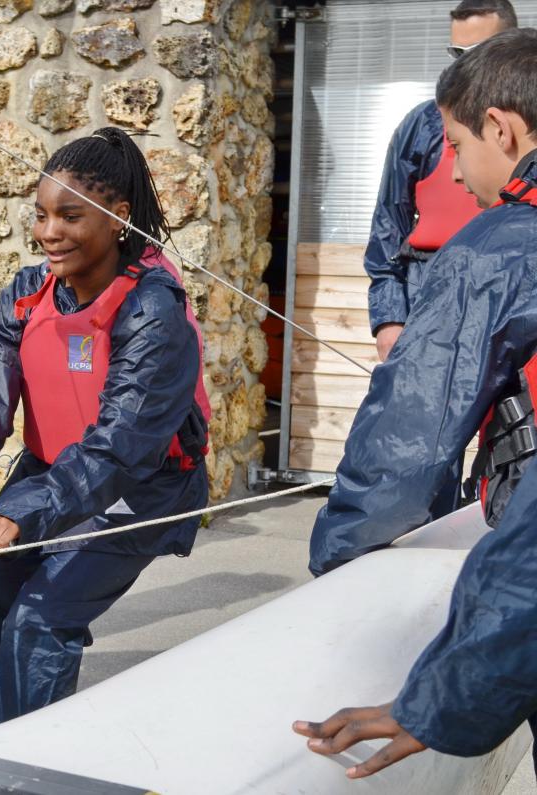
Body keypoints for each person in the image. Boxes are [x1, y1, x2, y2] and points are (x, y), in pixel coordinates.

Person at [294, 28, 537, 779]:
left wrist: (341, 569)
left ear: (501, 128)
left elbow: (405, 447)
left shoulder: (499, 247)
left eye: (457, 147)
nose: (455, 175)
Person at [0, 128, 211, 735]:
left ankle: (23, 765)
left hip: (139, 488)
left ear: (119, 217)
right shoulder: (28, 292)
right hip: (52, 473)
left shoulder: (153, 311)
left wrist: (21, 511)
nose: (49, 232)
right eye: (41, 215)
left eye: (70, 216)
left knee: (39, 618)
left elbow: (120, 447)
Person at [364, 0, 516, 363]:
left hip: (509, 291)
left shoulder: (529, 121)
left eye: (478, 52)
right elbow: (389, 223)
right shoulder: (423, 124)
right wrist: (389, 319)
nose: (465, 65)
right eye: (457, 53)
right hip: (428, 287)